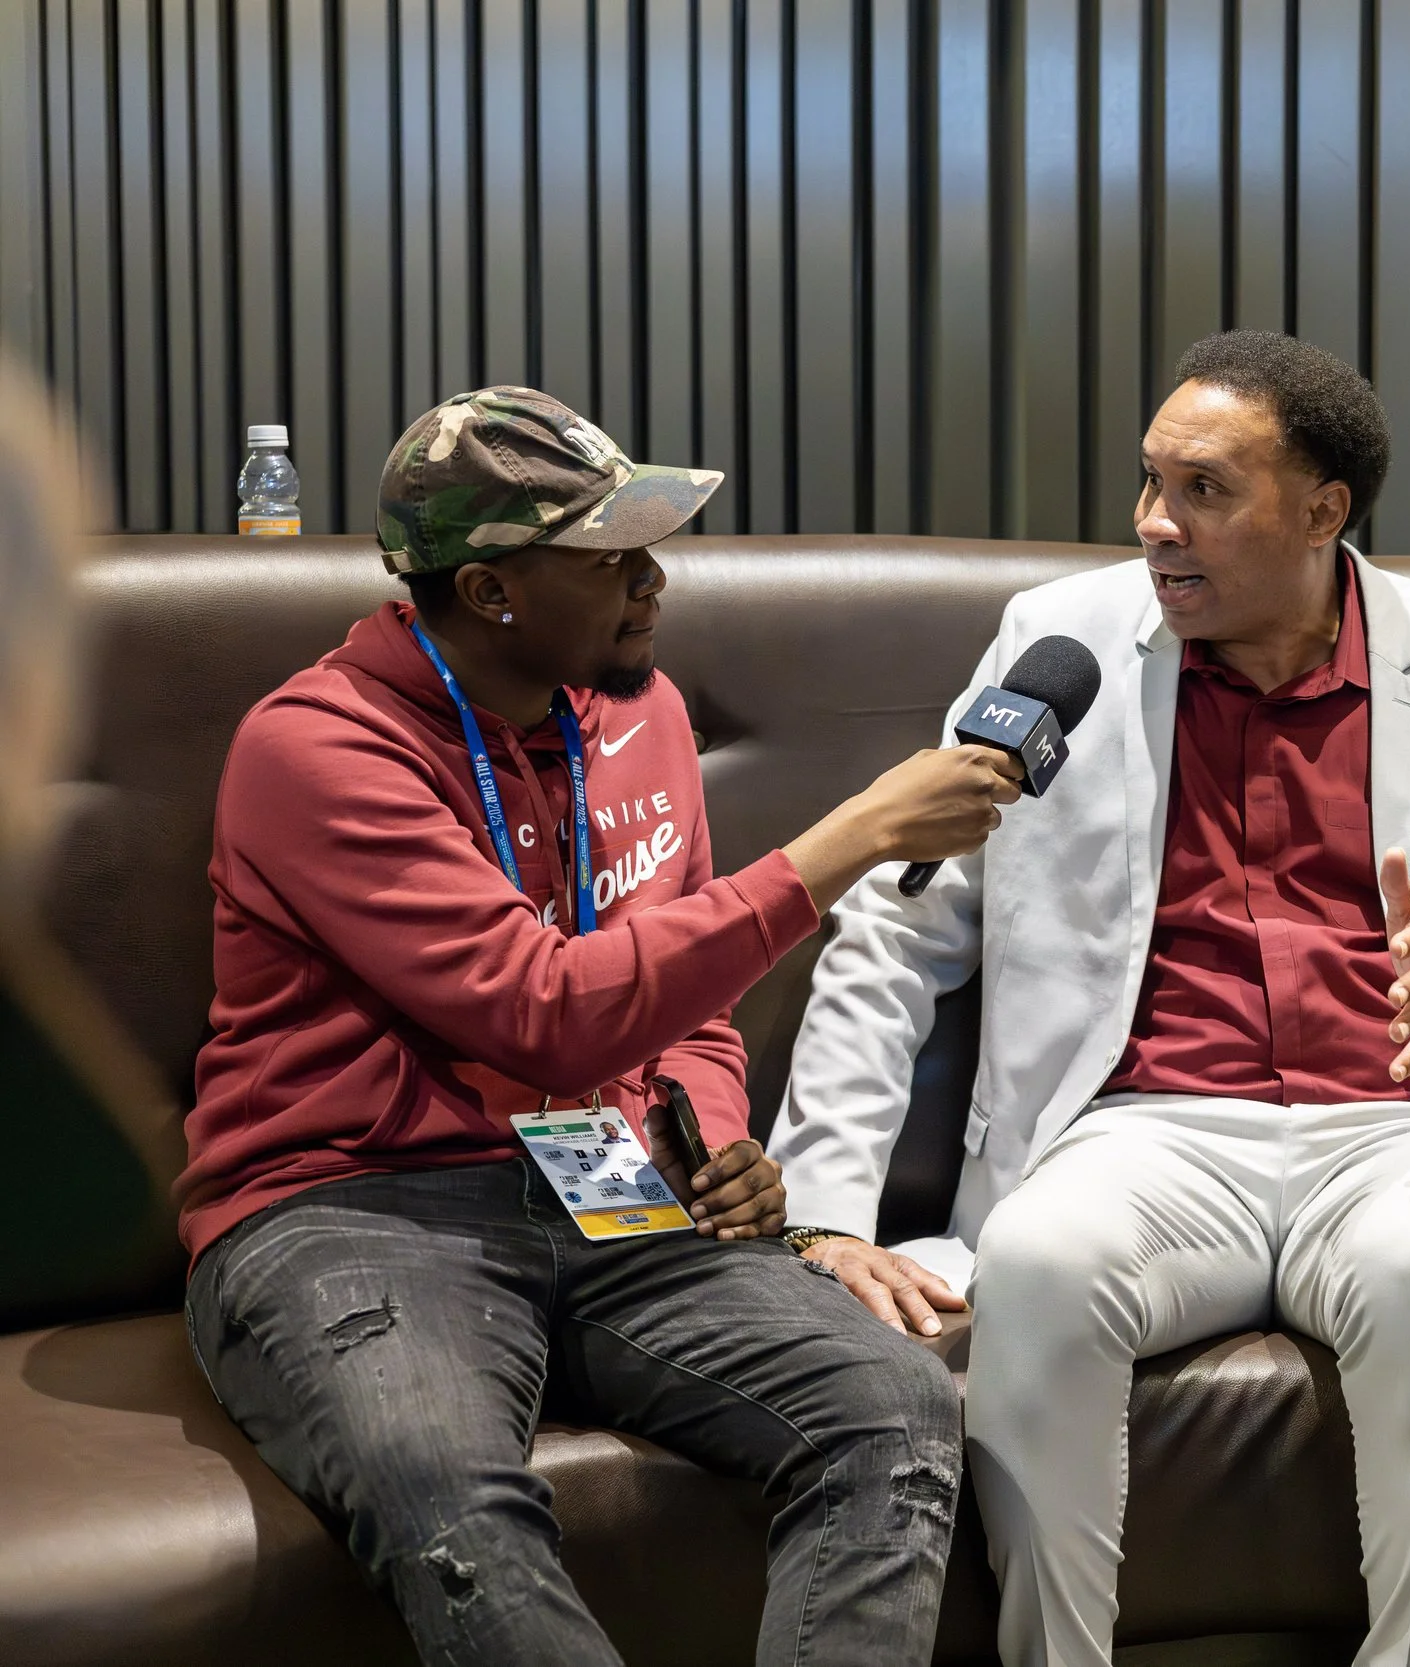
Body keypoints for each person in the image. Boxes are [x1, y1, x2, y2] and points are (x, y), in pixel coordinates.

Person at [770, 331, 1410, 1667]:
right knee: (1046, 1260)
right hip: (1143, 1126)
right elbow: (896, 927)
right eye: (1147, 483)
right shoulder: (1057, 645)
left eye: (1202, 490)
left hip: (1406, 1123)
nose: (1152, 525)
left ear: (1322, 510)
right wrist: (823, 1212)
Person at [177, 387, 1024, 1667]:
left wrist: (705, 1130)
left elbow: (680, 992)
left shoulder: (639, 714)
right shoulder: (318, 748)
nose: (651, 580)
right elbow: (545, 1013)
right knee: (447, 1493)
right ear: (491, 590)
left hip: (605, 1183)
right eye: (606, 555)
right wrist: (854, 836)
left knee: (894, 1405)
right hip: (350, 1200)